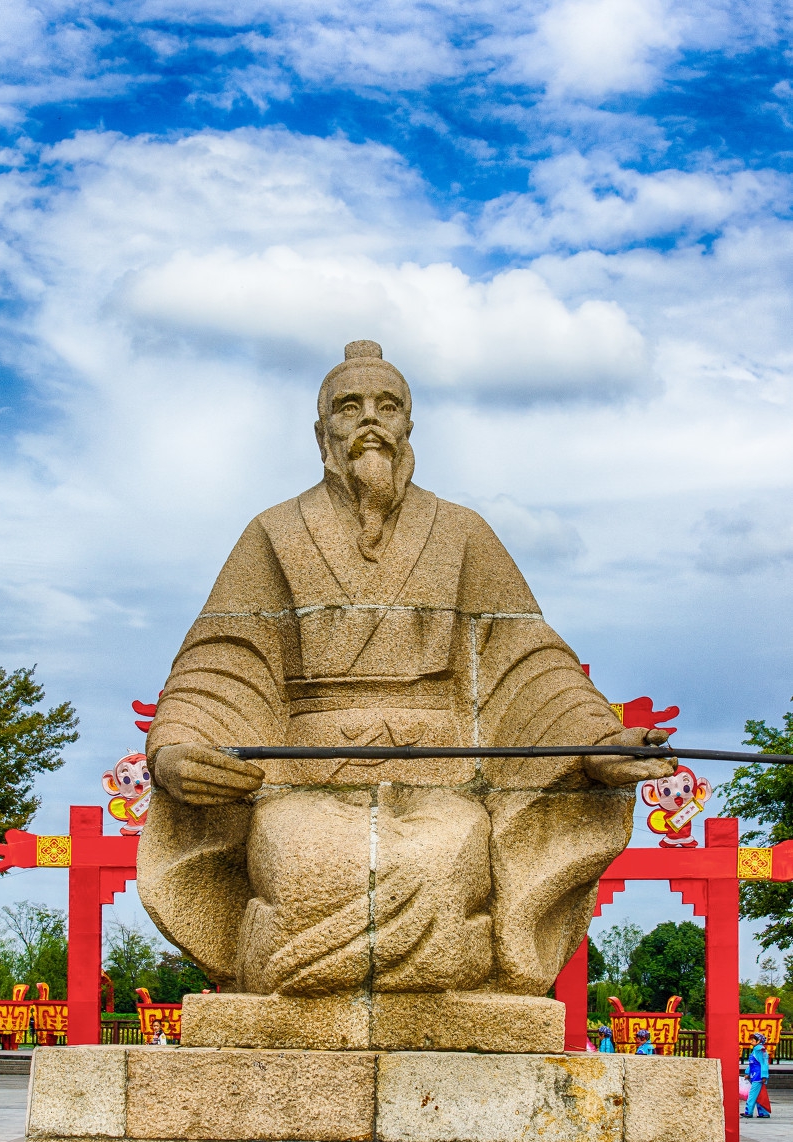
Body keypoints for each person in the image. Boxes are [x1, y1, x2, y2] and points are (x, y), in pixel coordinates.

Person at [139, 340, 674, 997]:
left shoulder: (462, 532)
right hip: (309, 783)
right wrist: (179, 747)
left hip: (437, 784)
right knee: (307, 860)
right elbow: (222, 663)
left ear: (408, 424)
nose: (370, 420)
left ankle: (417, 965)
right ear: (321, 431)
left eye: (387, 406)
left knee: (445, 857)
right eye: (349, 407)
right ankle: (297, 965)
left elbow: (528, 661)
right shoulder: (273, 533)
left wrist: (597, 744)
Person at [743, 1032, 771, 1117]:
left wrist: (764, 1076)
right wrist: (748, 1073)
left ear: (758, 1041)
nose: (751, 1041)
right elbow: (752, 1064)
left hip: (758, 1076)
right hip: (755, 1075)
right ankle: (763, 1113)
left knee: (752, 1094)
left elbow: (764, 1064)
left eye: (753, 1040)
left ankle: (748, 1112)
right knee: (759, 1094)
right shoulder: (756, 1050)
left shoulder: (760, 1051)